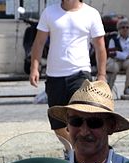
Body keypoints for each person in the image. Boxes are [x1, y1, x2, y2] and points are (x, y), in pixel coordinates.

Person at [29, 0, 108, 142]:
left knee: (79, 117)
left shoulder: (91, 13)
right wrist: (34, 67)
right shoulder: (49, 12)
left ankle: (81, 153)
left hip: (80, 73)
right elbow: (39, 42)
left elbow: (100, 46)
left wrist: (101, 74)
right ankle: (72, 150)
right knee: (57, 123)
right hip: (54, 75)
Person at [47, 80, 129, 163]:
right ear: (67, 125)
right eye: (76, 121)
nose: (84, 131)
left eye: (94, 122)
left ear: (111, 126)